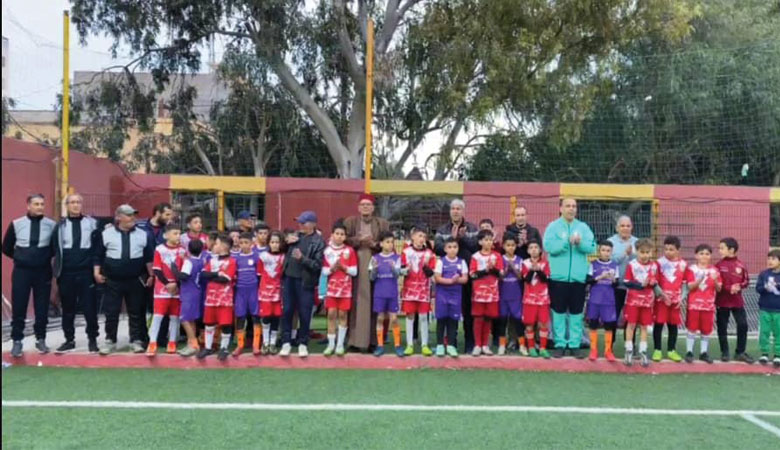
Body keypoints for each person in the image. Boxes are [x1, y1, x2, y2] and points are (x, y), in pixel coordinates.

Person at [93, 204, 155, 355]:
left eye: (133, 214)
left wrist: (151, 275)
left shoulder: (143, 234)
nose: (132, 218)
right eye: (128, 215)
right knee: (111, 312)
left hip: (135, 279)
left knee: (136, 311)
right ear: (118, 217)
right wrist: (96, 272)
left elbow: (148, 257)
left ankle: (136, 340)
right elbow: (98, 255)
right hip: (112, 280)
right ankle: (110, 341)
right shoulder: (106, 233)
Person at [3, 194, 57, 357]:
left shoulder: (51, 225)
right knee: (19, 306)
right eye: (36, 204)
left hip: (43, 271)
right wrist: (21, 257)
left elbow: (55, 248)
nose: (40, 207)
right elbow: (6, 247)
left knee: (41, 307)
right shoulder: (16, 224)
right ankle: (17, 341)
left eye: (42, 204)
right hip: (22, 272)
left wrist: (42, 257)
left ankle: (41, 339)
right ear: (28, 206)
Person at [543, 198, 596, 358]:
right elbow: (548, 247)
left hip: (578, 278)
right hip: (558, 278)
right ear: (560, 208)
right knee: (558, 311)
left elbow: (593, 247)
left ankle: (574, 343)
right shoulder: (553, 227)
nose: (571, 209)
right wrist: (566, 242)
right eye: (568, 206)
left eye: (574, 206)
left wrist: (579, 244)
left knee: (576, 313)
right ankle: (559, 343)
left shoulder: (583, 227)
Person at [52, 193, 100, 353]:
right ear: (67, 205)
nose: (75, 205)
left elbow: (98, 247)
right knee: (68, 308)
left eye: (78, 202)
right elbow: (54, 249)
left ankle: (92, 339)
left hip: (86, 273)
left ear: (82, 204)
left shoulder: (92, 224)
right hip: (66, 273)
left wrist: (96, 269)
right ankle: (69, 339)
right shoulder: (60, 226)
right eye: (72, 202)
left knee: (89, 308)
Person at [343, 194, 390, 352]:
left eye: (368, 204)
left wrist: (374, 243)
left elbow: (388, 242)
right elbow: (343, 239)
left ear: (373, 207)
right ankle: (354, 341)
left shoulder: (382, 223)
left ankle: (373, 341)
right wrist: (358, 240)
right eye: (362, 204)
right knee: (356, 303)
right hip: (354, 266)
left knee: (374, 303)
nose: (365, 207)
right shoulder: (350, 222)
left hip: (377, 266)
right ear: (358, 207)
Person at [434, 199, 479, 353]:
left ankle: (469, 343)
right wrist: (451, 238)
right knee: (446, 312)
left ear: (463, 211)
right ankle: (448, 343)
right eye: (453, 208)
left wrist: (462, 237)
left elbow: (476, 247)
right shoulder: (442, 229)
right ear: (450, 211)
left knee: (468, 310)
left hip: (465, 275)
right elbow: (438, 249)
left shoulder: (472, 228)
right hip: (446, 278)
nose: (455, 211)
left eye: (458, 208)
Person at [280, 211, 325, 357]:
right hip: (289, 278)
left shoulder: (318, 241)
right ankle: (286, 341)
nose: (299, 225)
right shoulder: (295, 236)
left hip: (305, 281)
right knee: (287, 311)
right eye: (299, 222)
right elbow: (278, 249)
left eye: (303, 223)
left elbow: (317, 265)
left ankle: (303, 342)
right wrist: (285, 242)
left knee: (305, 313)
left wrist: (302, 258)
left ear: (312, 224)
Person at [147, 224, 187, 356]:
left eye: (179, 234)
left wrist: (176, 283)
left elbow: (183, 270)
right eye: (175, 233)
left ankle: (172, 342)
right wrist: (167, 283)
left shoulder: (182, 251)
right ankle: (152, 343)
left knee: (175, 318)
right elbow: (157, 270)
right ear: (166, 235)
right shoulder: (159, 249)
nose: (177, 236)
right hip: (162, 289)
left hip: (176, 289)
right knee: (158, 316)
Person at [197, 233, 237, 361]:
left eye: (218, 243)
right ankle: (208, 347)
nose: (215, 245)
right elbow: (203, 274)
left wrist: (212, 275)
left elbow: (225, 279)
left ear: (225, 246)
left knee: (225, 324)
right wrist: (217, 273)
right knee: (209, 323)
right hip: (211, 298)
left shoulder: (231, 261)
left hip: (225, 299)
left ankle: (224, 348)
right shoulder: (212, 260)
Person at [322, 222, 358, 356]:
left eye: (342, 234)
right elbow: (324, 272)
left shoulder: (349, 251)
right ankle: (330, 344)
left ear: (345, 237)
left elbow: (354, 271)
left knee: (343, 315)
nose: (339, 236)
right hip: (331, 289)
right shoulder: (327, 251)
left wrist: (344, 267)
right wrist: (332, 268)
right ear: (332, 235)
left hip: (345, 289)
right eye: (337, 234)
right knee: (331, 314)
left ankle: (340, 345)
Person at [715, 237, 753, 363]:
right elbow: (716, 283)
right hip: (722, 301)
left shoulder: (741, 265)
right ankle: (724, 352)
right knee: (722, 326)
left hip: (737, 301)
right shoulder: (718, 266)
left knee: (743, 325)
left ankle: (740, 352)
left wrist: (739, 286)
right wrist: (728, 288)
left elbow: (746, 281)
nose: (719, 250)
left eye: (722, 248)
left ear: (731, 250)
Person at [622, 238, 658, 367]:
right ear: (637, 252)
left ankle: (643, 351)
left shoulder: (654, 266)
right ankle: (629, 349)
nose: (645, 255)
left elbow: (655, 281)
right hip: (633, 301)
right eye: (642, 252)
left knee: (644, 326)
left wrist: (653, 283)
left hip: (647, 302)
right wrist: (640, 285)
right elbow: (626, 282)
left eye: (648, 252)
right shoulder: (632, 264)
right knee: (631, 325)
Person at [401, 226, 436, 356]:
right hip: (409, 290)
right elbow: (401, 269)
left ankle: (424, 345)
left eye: (424, 237)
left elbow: (432, 275)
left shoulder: (429, 254)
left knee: (423, 317)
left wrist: (428, 270)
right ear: (413, 237)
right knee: (410, 316)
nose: (422, 239)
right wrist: (405, 270)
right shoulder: (406, 252)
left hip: (423, 291)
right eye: (419, 236)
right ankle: (409, 344)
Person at [684, 244, 722, 364]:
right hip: (694, 305)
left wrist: (715, 280)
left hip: (708, 306)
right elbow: (690, 286)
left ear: (710, 256)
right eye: (701, 253)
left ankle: (703, 352)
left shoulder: (714, 270)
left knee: (706, 330)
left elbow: (719, 289)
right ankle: (689, 351)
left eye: (707, 254)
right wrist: (699, 280)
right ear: (696, 255)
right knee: (692, 328)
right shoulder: (691, 269)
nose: (704, 256)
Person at [469, 229, 504, 356]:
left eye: (490, 239)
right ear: (480, 242)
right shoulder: (475, 257)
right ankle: (477, 344)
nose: (488, 242)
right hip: (478, 294)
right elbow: (472, 275)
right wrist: (485, 270)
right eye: (485, 240)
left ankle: (485, 345)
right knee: (478, 318)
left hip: (492, 293)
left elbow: (500, 274)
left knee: (488, 319)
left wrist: (493, 269)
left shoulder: (497, 256)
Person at [653, 236, 687, 363]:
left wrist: (681, 298)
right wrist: (662, 295)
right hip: (662, 301)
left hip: (675, 302)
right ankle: (657, 350)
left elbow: (685, 283)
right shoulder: (659, 263)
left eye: (671, 249)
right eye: (666, 249)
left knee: (673, 325)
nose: (668, 252)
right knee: (659, 324)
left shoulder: (683, 264)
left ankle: (671, 350)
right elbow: (654, 282)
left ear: (678, 250)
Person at [370, 231, 403, 357]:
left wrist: (394, 268)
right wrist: (375, 269)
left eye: (392, 242)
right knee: (380, 318)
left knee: (394, 318)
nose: (390, 245)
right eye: (387, 242)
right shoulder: (375, 258)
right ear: (381, 243)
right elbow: (372, 278)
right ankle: (380, 345)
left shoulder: (396, 258)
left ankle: (398, 345)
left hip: (392, 292)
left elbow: (397, 275)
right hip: (379, 293)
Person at [433, 237, 468, 358]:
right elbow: (437, 278)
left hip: (456, 296)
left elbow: (465, 279)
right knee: (441, 320)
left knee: (453, 321)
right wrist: (450, 281)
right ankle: (439, 345)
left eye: (455, 247)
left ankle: (451, 345)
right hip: (442, 295)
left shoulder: (462, 262)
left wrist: (458, 280)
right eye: (450, 247)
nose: (452, 250)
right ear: (445, 249)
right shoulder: (441, 262)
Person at [171, 239, 205, 357]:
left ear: (188, 250)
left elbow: (183, 276)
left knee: (184, 319)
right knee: (191, 319)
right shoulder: (201, 261)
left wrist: (174, 268)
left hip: (188, 293)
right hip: (196, 291)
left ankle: (193, 344)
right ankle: (191, 342)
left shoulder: (189, 262)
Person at [586, 240, 619, 362]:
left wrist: (613, 280)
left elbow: (616, 284)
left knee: (609, 326)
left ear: (612, 252)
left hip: (608, 300)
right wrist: (601, 277)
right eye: (603, 250)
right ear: (599, 251)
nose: (606, 253)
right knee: (593, 324)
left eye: (608, 251)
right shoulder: (593, 264)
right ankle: (593, 350)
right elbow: (588, 280)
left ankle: (608, 350)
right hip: (595, 299)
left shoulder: (614, 265)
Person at [607, 215, 638, 343]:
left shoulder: (637, 242)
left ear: (632, 227)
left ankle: (630, 345)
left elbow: (641, 262)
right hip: (615, 286)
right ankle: (609, 346)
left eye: (628, 226)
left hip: (632, 287)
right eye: (622, 226)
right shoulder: (611, 242)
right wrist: (624, 254)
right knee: (612, 316)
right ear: (617, 228)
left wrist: (632, 255)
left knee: (632, 318)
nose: (625, 228)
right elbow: (610, 261)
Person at [232, 232, 261, 357]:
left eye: (246, 243)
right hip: (240, 291)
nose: (244, 245)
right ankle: (240, 345)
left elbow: (259, 275)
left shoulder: (256, 256)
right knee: (240, 317)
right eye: (241, 243)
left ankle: (256, 345)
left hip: (253, 290)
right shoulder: (235, 258)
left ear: (252, 243)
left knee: (255, 316)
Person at [521, 240, 551, 359]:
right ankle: (532, 347)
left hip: (543, 299)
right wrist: (532, 269)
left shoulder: (545, 263)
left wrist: (538, 269)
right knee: (529, 324)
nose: (533, 249)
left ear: (540, 250)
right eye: (531, 247)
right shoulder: (525, 263)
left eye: (536, 247)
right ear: (528, 251)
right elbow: (526, 279)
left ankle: (543, 348)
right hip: (529, 300)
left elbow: (545, 279)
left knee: (543, 324)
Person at [257, 231, 286, 355]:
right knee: (266, 317)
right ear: (268, 243)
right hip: (265, 292)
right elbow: (259, 274)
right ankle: (265, 342)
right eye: (272, 242)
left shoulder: (284, 257)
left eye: (277, 242)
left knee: (276, 317)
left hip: (278, 292)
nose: (275, 245)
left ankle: (273, 343)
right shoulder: (263, 256)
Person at [498, 234, 524, 356]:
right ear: (503, 246)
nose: (510, 248)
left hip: (516, 295)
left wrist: (513, 268)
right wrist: (506, 270)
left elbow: (521, 277)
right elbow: (499, 277)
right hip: (503, 295)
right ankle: (502, 345)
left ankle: (522, 345)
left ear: (516, 246)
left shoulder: (520, 260)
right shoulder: (499, 259)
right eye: (508, 245)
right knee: (503, 320)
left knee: (518, 320)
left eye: (513, 245)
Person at [755, 249, 780, 367]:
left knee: (778, 333)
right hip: (765, 308)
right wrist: (765, 287)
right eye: (769, 258)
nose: (770, 261)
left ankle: (777, 355)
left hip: (778, 310)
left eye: (773, 259)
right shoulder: (764, 274)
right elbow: (758, 289)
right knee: (764, 332)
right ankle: (764, 353)